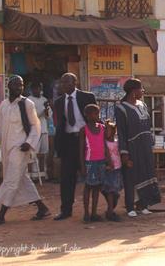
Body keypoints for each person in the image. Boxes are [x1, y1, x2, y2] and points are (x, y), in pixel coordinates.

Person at [0, 75, 50, 226]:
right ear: (9, 87)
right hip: (7, 148)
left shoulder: (27, 104)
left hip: (20, 148)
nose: (19, 88)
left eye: (21, 85)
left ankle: (1, 215)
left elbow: (36, 125)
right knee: (21, 179)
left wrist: (29, 142)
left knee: (11, 180)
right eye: (16, 85)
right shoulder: (4, 105)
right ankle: (42, 208)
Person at [53, 73, 96, 221]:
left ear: (75, 83)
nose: (64, 85)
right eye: (62, 82)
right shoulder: (58, 102)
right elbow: (59, 125)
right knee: (67, 178)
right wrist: (58, 148)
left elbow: (95, 118)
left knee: (92, 174)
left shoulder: (87, 97)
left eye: (67, 82)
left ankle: (97, 208)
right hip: (69, 142)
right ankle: (66, 210)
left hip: (86, 140)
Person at [115, 79, 161, 217]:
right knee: (131, 176)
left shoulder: (143, 105)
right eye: (141, 89)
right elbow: (122, 132)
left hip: (145, 146)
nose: (143, 91)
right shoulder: (121, 108)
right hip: (132, 146)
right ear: (133, 91)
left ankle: (143, 204)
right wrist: (124, 153)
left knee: (146, 173)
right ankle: (130, 207)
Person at [79, 104, 106, 223]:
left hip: (101, 161)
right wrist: (82, 165)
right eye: (94, 114)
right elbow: (81, 149)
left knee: (97, 188)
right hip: (89, 162)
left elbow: (104, 145)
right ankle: (86, 213)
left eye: (97, 113)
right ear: (87, 115)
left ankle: (94, 213)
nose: (97, 116)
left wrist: (108, 161)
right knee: (88, 187)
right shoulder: (83, 130)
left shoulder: (102, 128)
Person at [28, 82, 52, 178]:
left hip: (44, 129)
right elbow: (33, 115)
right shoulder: (29, 100)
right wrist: (43, 109)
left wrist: (46, 109)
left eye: (39, 88)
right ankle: (33, 174)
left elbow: (48, 116)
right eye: (35, 89)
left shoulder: (44, 99)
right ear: (32, 90)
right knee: (34, 153)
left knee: (43, 153)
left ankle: (42, 173)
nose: (37, 91)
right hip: (34, 130)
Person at [103, 120, 123, 222]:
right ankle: (110, 212)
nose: (105, 132)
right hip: (109, 169)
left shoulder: (117, 142)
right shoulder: (104, 143)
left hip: (117, 169)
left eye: (108, 130)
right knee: (110, 190)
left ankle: (110, 209)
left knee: (115, 192)